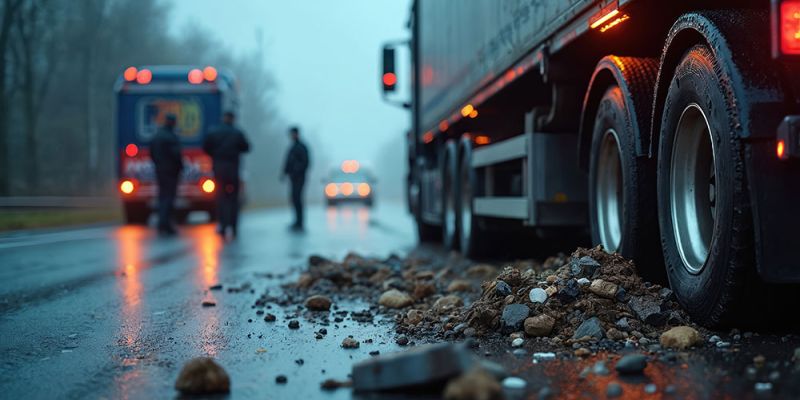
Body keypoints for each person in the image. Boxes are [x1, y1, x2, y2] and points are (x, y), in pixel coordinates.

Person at [203, 111, 250, 238]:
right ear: (233, 119)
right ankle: (233, 227)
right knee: (233, 200)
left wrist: (216, 155)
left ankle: (222, 226)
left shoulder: (214, 132)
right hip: (233, 171)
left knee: (220, 198)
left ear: (223, 118)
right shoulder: (237, 133)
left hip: (219, 171)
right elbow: (247, 147)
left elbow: (206, 147)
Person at [150, 114, 183, 235]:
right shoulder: (171, 137)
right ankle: (165, 223)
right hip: (171, 171)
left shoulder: (157, 136)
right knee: (169, 198)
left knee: (162, 196)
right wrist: (180, 167)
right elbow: (176, 155)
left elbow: (152, 152)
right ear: (173, 123)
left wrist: (158, 164)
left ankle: (162, 223)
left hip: (160, 170)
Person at [282, 126, 309, 230]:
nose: (291, 136)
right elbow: (287, 162)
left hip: (300, 178)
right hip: (293, 178)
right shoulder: (292, 147)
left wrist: (297, 170)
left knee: (298, 198)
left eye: (293, 134)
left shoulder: (302, 147)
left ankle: (300, 222)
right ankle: (297, 221)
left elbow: (306, 162)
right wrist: (284, 173)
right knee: (294, 199)